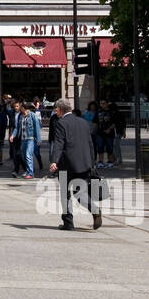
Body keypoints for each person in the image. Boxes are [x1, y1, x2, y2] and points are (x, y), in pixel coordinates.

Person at [49, 98, 103, 231]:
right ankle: (95, 210)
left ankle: (68, 223)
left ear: (61, 110)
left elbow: (59, 143)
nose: (55, 111)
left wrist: (54, 161)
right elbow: (90, 144)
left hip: (66, 164)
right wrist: (91, 161)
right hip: (84, 163)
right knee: (79, 192)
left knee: (65, 194)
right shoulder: (83, 122)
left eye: (56, 109)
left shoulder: (61, 123)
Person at [20, 99, 42, 179]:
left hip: (30, 138)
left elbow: (37, 127)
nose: (19, 109)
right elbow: (18, 128)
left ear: (24, 108)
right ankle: (28, 170)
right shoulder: (21, 116)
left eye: (21, 107)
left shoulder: (32, 115)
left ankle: (30, 173)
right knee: (23, 156)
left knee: (28, 155)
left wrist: (38, 139)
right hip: (23, 139)